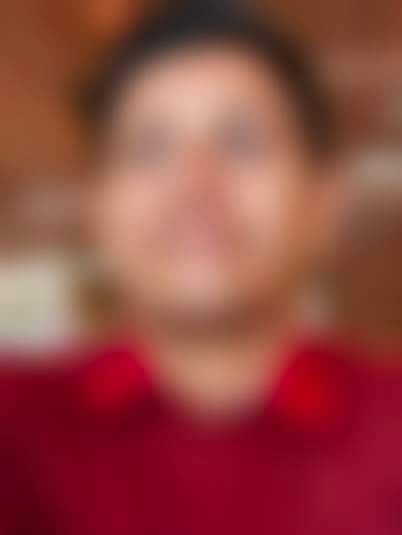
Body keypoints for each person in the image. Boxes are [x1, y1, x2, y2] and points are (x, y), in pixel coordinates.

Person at [2, 1, 402, 534]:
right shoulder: (15, 428)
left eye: (241, 142)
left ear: (321, 202)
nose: (195, 185)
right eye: (150, 148)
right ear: (97, 207)